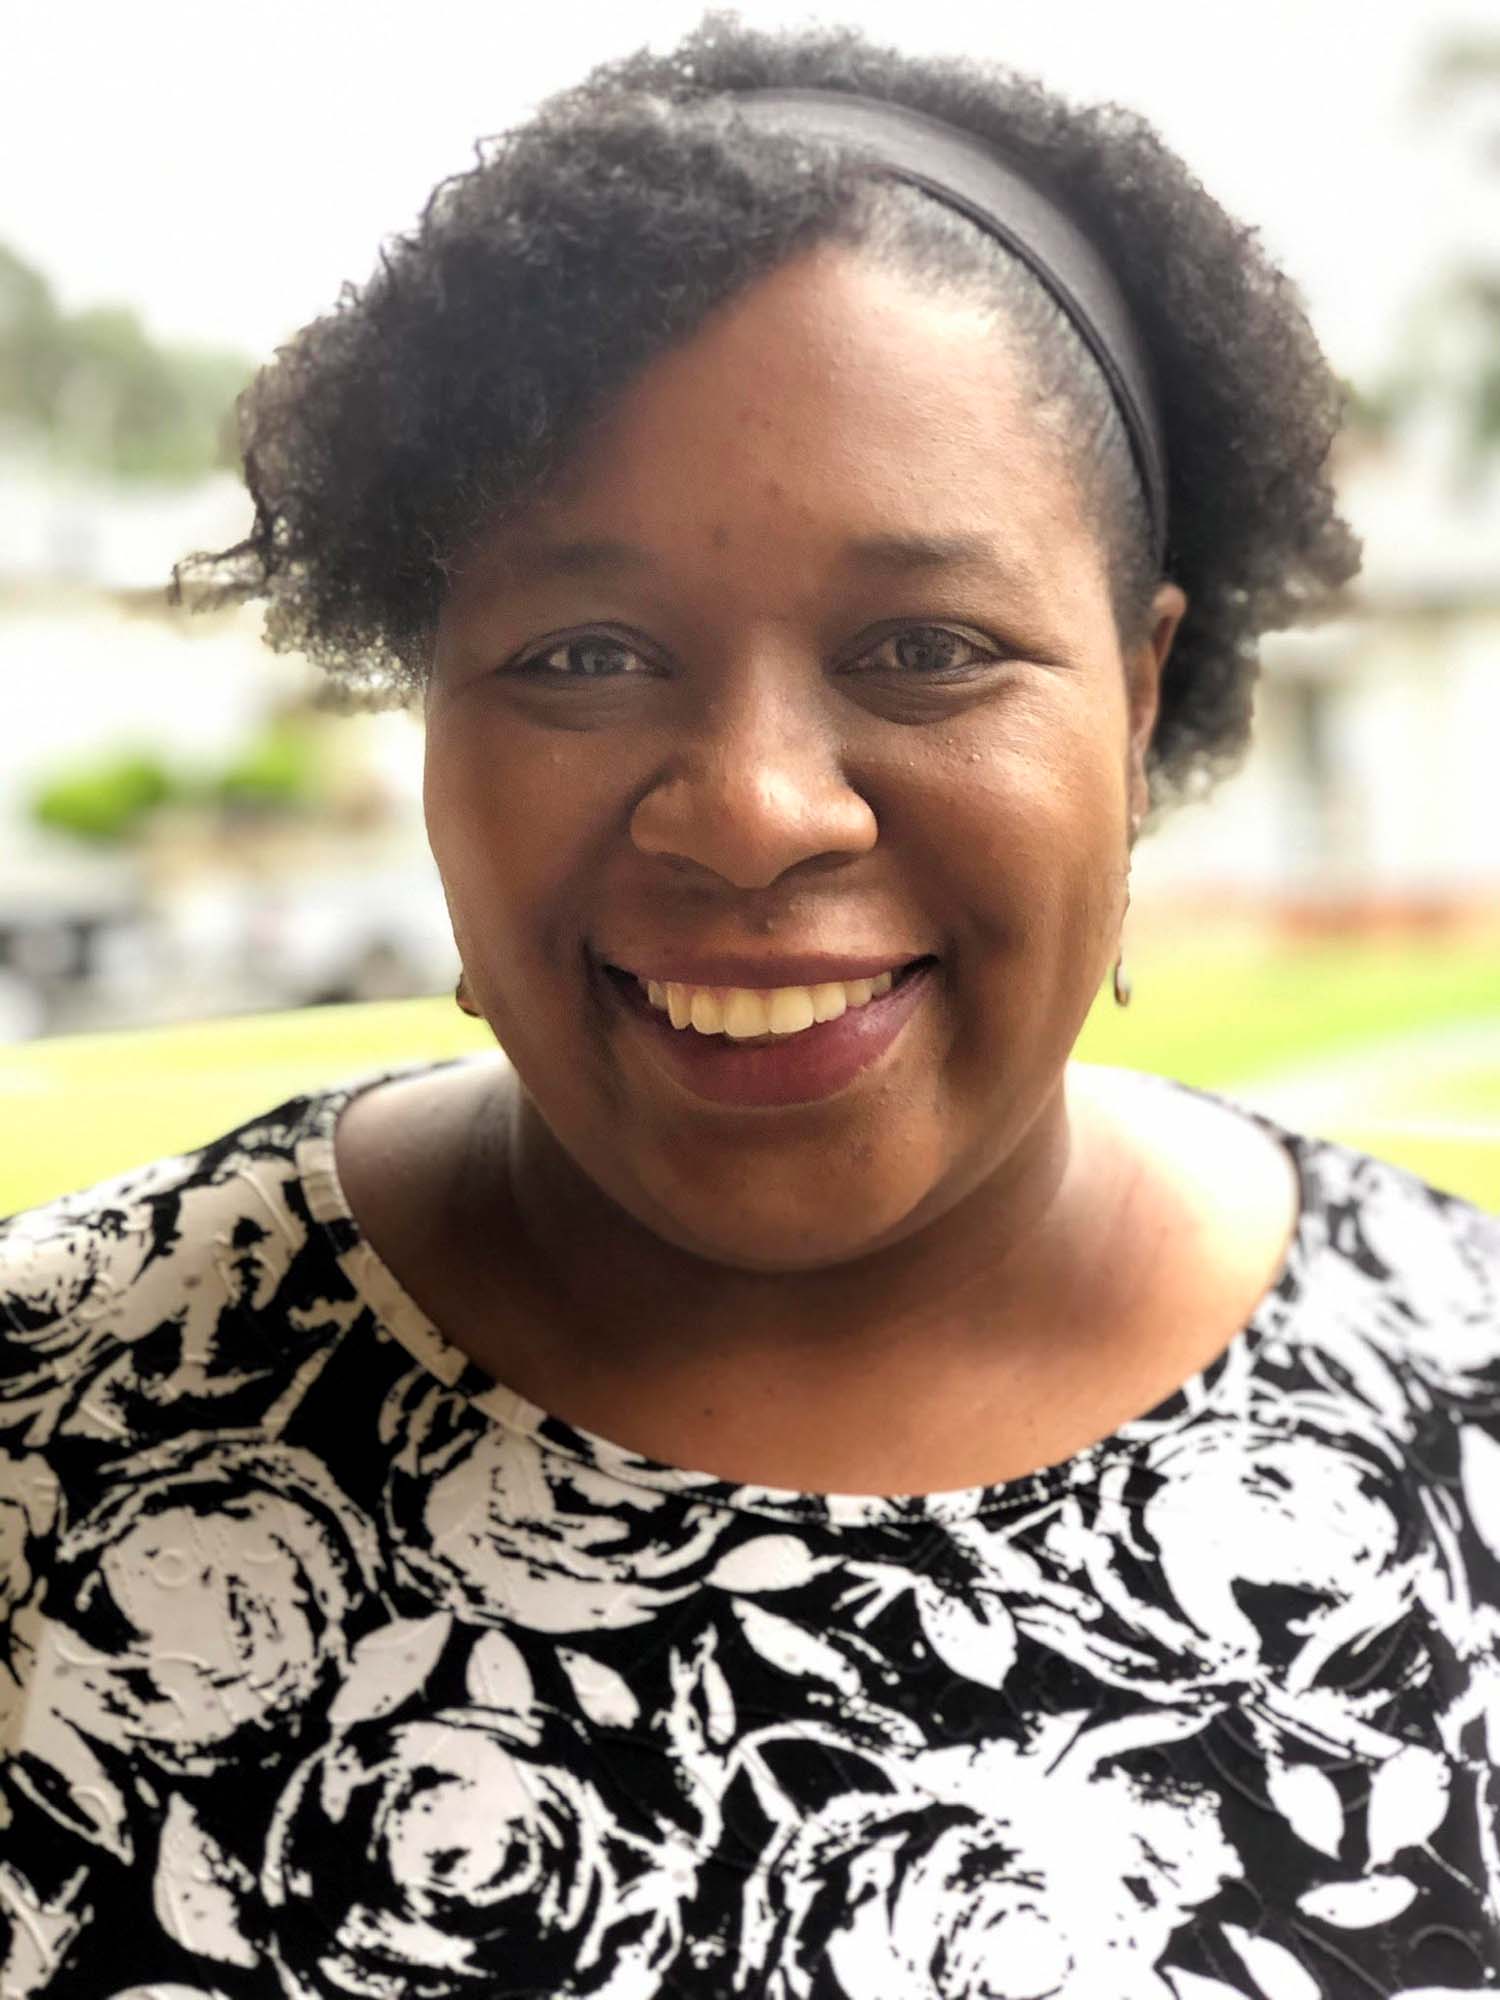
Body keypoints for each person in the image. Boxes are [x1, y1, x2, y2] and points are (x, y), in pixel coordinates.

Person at [3, 14, 1498, 1997]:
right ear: (426, 707)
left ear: (1136, 701)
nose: (754, 812)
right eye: (586, 649)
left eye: (925, 644)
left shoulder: (1462, 1404)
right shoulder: (52, 1430)